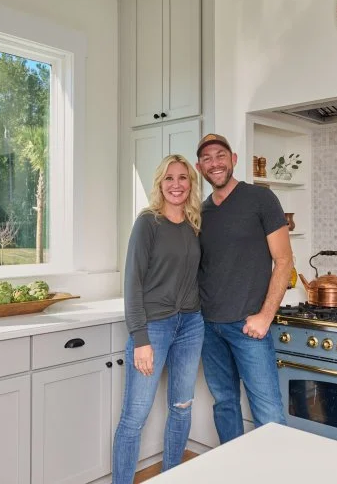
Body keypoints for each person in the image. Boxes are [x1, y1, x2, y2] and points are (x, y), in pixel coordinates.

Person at [194, 133, 293, 443]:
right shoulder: (201, 212)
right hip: (210, 326)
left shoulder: (260, 198)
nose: (215, 163)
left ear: (233, 159)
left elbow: (284, 260)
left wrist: (265, 315)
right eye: (207, 158)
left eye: (220, 155)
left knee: (268, 413)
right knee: (224, 405)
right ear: (200, 167)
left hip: (249, 325)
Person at [112, 154, 204, 484]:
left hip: (191, 326)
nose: (176, 184)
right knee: (134, 417)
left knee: (181, 407)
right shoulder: (148, 222)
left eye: (183, 178)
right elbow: (132, 282)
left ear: (191, 184)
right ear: (160, 184)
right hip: (154, 326)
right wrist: (140, 339)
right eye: (169, 178)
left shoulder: (195, 225)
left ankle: (170, 477)